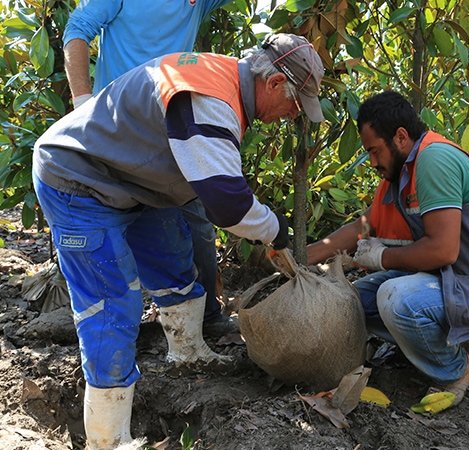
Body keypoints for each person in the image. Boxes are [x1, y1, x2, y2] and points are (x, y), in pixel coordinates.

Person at [33, 33, 325, 449]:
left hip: (133, 180)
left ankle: (187, 352)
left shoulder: (222, 80)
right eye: (294, 106)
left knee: (173, 260)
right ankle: (108, 438)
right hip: (79, 180)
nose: (290, 115)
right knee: (112, 303)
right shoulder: (208, 98)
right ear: (275, 83)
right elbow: (228, 204)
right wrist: (275, 230)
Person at [307, 90, 469, 408]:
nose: (371, 162)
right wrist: (304, 255)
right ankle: (432, 342)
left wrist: (382, 257)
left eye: (374, 151)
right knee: (352, 302)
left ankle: (456, 369)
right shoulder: (399, 174)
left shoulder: (434, 160)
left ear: (400, 136)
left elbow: (443, 250)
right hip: (446, 282)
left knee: (397, 300)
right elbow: (363, 227)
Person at [63, 0, 237, 338]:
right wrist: (82, 106)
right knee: (108, 220)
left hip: (167, 128)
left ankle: (206, 317)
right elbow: (77, 31)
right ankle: (113, 322)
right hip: (115, 128)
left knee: (198, 221)